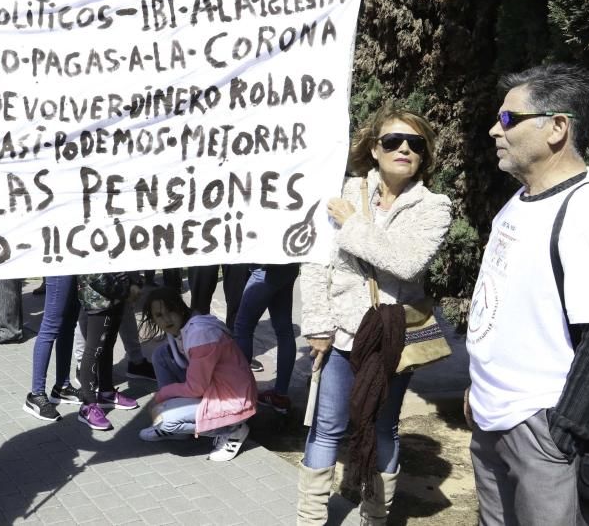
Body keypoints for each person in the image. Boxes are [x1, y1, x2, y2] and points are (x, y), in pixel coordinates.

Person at [466, 64, 589, 526]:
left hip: (541, 431)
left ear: (557, 128)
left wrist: (561, 434)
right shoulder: (519, 200)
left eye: (508, 119)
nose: (493, 130)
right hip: (491, 417)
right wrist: (480, 389)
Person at [297, 104, 451, 526]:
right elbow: (316, 265)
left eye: (414, 143)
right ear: (375, 148)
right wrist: (316, 326)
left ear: (424, 154)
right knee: (327, 425)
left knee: (384, 428)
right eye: (393, 141)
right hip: (341, 334)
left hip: (392, 337)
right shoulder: (343, 192)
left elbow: (405, 263)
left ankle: (375, 516)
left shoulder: (433, 207)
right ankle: (309, 518)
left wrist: (352, 227)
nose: (403, 148)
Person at [138, 287, 257, 461]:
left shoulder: (200, 334)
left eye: (170, 311)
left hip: (231, 399)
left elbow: (196, 388)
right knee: (161, 355)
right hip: (214, 387)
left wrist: (160, 397)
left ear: (180, 308)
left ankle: (232, 430)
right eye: (159, 315)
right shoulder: (184, 326)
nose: (166, 319)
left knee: (166, 420)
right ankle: (178, 429)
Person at [75, 271, 142, 430]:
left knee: (107, 345)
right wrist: (125, 290)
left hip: (116, 295)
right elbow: (93, 272)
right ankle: (88, 406)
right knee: (93, 350)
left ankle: (106, 392)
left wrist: (134, 282)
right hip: (98, 298)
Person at [233, 262, 301, 412]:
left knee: (242, 328)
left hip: (265, 270)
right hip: (288, 265)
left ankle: (240, 396)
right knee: (284, 330)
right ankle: (280, 395)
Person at [23, 275, 86, 421]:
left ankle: (62, 387)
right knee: (50, 326)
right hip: (61, 264)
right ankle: (36, 395)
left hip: (77, 264)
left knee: (68, 324)